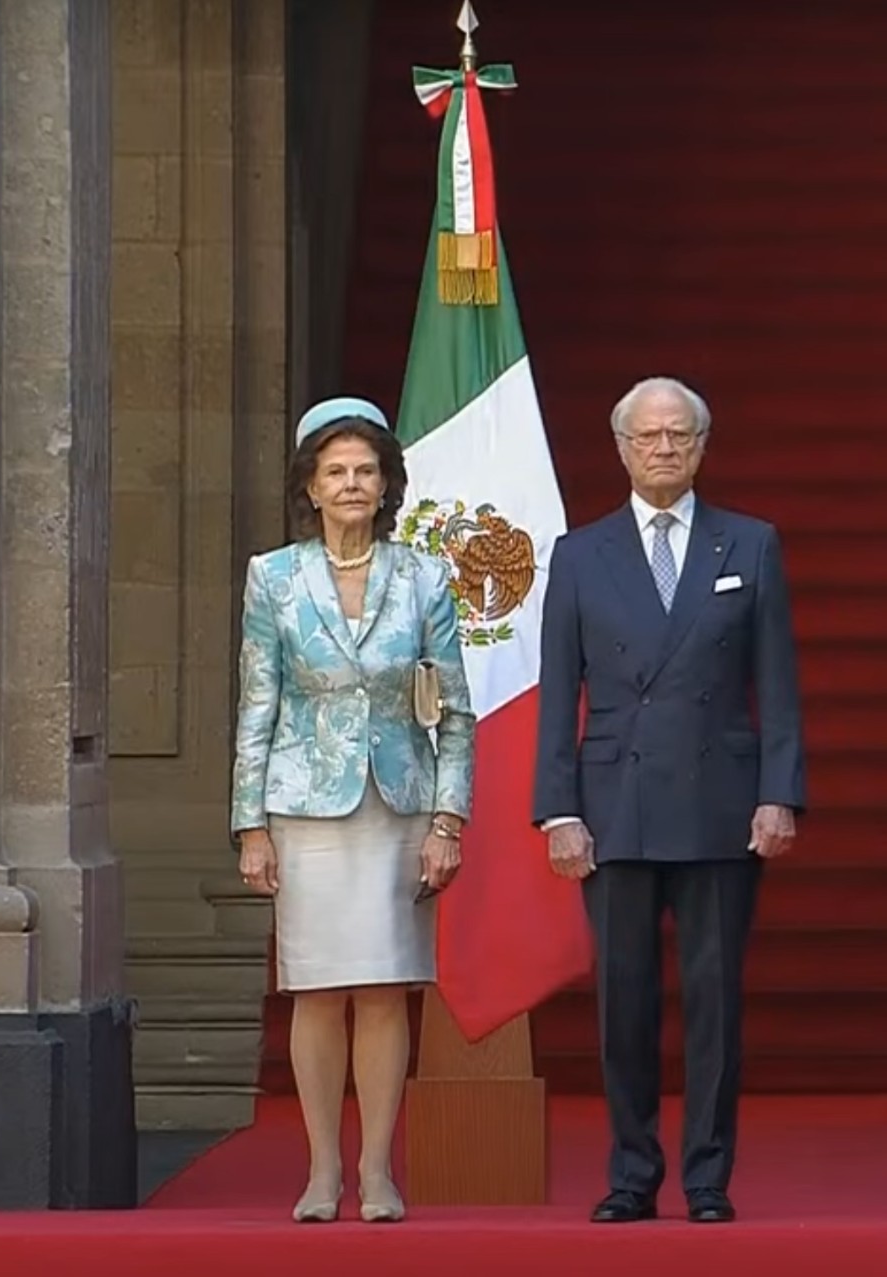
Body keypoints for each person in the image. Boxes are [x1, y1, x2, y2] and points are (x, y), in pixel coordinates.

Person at [533, 376, 805, 1225]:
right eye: (647, 437)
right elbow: (556, 695)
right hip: (614, 804)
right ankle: (631, 1172)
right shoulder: (580, 554)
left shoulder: (749, 545)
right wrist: (558, 809)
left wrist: (778, 795)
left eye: (678, 436)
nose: (663, 449)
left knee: (715, 1003)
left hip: (720, 802)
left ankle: (709, 1176)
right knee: (624, 1003)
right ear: (620, 448)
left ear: (701, 447)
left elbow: (779, 686)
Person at [231, 396, 476, 1224]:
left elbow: (454, 708)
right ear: (309, 484)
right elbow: (257, 704)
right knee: (316, 989)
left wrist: (449, 820)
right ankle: (321, 1171)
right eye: (334, 471)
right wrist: (250, 825)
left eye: (365, 470)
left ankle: (376, 1171)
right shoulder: (272, 576)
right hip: (303, 806)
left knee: (382, 988)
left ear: (386, 484)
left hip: (397, 804)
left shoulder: (423, 576)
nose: (350, 484)